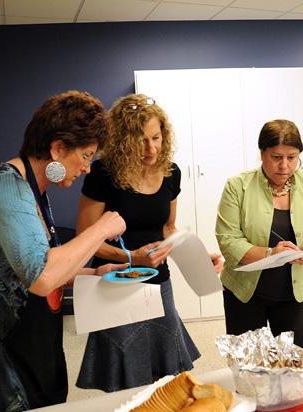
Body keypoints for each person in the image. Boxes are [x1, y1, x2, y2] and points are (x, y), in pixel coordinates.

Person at [0, 90, 128, 411]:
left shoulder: (34, 190)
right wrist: (101, 230)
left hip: (27, 337)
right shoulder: (4, 187)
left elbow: (34, 265)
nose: (87, 169)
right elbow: (41, 276)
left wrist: (92, 272)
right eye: (85, 156)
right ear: (57, 148)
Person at [75, 93, 223, 392]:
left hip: (158, 281)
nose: (151, 147)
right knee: (126, 380)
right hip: (114, 283)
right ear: (121, 140)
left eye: (156, 137)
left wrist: (197, 255)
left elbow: (168, 229)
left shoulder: (171, 172)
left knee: (168, 377)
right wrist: (131, 258)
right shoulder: (103, 173)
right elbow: (85, 240)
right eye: (140, 140)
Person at [215, 119, 303, 348]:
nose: (284, 166)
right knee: (249, 370)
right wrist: (271, 253)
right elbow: (228, 240)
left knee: (296, 365)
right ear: (262, 153)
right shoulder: (237, 186)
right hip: (245, 295)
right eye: (276, 157)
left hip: (297, 294)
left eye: (292, 157)